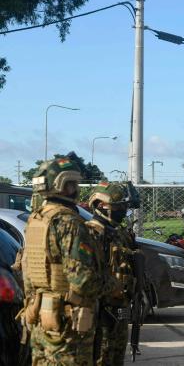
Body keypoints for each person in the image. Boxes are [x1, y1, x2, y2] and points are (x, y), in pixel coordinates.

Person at [21, 155, 104, 365]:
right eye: (73, 183)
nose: (76, 188)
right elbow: (83, 280)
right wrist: (114, 286)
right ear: (64, 186)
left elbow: (27, 271)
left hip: (39, 317)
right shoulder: (70, 223)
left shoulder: (35, 220)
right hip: (67, 322)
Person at [85, 181, 140, 366]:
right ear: (101, 205)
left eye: (124, 206)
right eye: (118, 206)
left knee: (117, 355)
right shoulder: (92, 232)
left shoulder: (119, 233)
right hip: (103, 311)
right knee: (102, 356)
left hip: (121, 306)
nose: (123, 209)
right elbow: (87, 275)